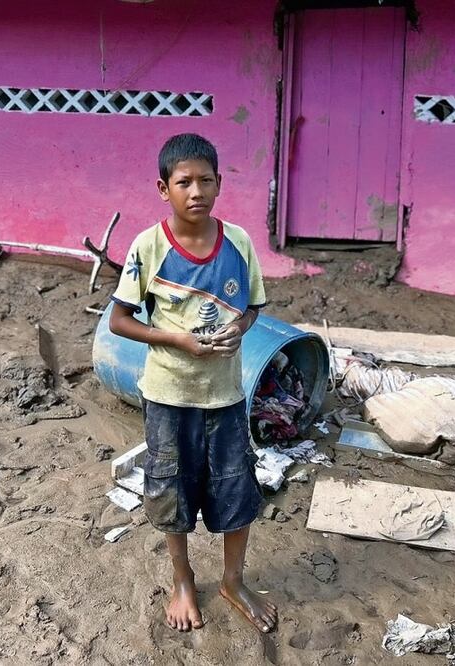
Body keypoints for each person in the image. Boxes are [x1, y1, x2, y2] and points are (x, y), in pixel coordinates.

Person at [108, 133, 278, 634]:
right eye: (184, 182)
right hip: (168, 395)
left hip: (225, 395)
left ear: (220, 183)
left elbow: (251, 308)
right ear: (164, 189)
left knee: (236, 485)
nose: (196, 191)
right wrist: (177, 340)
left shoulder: (239, 242)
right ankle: (182, 579)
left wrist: (239, 329)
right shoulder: (149, 246)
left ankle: (233, 580)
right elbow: (119, 320)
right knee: (171, 487)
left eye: (206, 180)